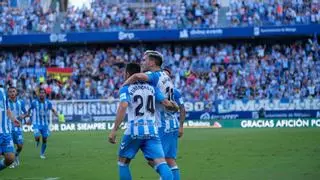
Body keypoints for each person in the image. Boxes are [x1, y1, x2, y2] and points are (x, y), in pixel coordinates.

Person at [108, 63, 178, 180]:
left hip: (134, 130)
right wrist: (175, 107)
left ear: (127, 74)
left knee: (123, 162)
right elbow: (166, 103)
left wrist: (114, 130)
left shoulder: (125, 88)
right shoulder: (152, 88)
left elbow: (124, 105)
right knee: (162, 163)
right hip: (152, 130)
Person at [123, 51, 182, 180]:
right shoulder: (165, 76)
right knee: (169, 160)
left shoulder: (153, 76)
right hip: (172, 122)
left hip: (162, 123)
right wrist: (175, 107)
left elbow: (137, 76)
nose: (142, 63)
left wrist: (123, 86)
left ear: (152, 62)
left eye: (144, 60)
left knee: (156, 160)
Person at [28, 88, 59, 159]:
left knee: (45, 139)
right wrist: (29, 118)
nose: (42, 94)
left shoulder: (48, 103)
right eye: (40, 93)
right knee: (37, 136)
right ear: (38, 94)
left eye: (43, 93)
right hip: (36, 123)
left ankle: (42, 153)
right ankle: (37, 140)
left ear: (45, 94)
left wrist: (56, 114)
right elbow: (30, 110)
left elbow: (52, 109)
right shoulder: (34, 102)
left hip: (45, 124)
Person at [7, 86, 29, 168]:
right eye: (10, 92)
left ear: (16, 93)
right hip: (8, 128)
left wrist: (22, 116)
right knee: (11, 146)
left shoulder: (21, 102)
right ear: (8, 93)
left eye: (13, 91)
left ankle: (16, 156)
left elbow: (26, 113)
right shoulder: (6, 103)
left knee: (20, 146)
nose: (12, 93)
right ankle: (12, 162)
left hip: (18, 127)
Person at [0, 86, 20, 171]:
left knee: (10, 159)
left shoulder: (2, 91)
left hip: (5, 132)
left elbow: (7, 109)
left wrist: (14, 119)